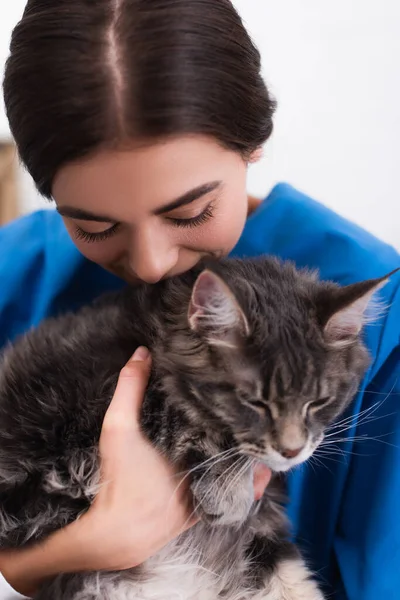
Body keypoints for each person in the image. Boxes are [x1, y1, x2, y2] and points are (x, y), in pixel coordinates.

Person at [0, 1, 398, 598]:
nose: (152, 264)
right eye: (94, 226)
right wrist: (45, 561)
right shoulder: (13, 270)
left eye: (190, 212)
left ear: (254, 142)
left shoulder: (375, 303)